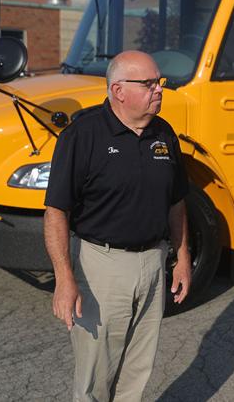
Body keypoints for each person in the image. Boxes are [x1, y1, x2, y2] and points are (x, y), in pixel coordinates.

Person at [44, 50, 191, 401]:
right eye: (150, 83)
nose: (159, 90)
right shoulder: (82, 135)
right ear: (119, 90)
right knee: (96, 373)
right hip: (102, 266)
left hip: (154, 262)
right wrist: (64, 279)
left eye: (160, 83)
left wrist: (182, 257)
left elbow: (177, 201)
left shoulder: (164, 133)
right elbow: (56, 212)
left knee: (138, 369)